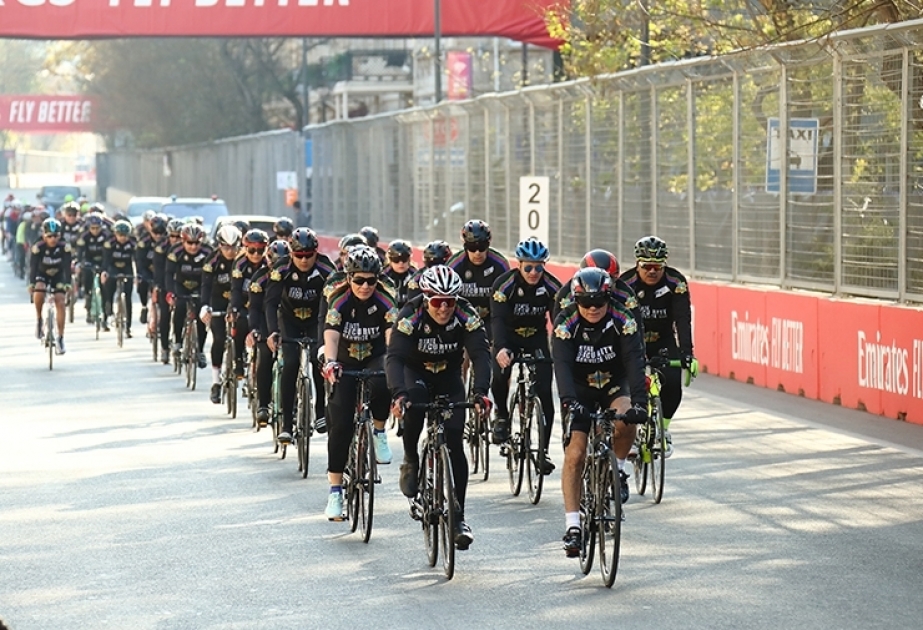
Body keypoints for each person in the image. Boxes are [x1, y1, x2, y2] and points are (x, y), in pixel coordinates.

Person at [387, 265, 492, 550]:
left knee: (455, 441)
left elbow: (481, 355)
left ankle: (458, 518)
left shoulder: (466, 314)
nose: (444, 308)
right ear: (426, 298)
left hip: (448, 376)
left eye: (450, 301)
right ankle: (411, 457)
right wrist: (398, 395)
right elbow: (394, 357)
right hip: (415, 374)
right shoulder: (410, 314)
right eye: (437, 302)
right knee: (415, 412)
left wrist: (481, 392)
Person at [552, 268, 648, 556]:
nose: (593, 309)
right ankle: (572, 526)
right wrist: (569, 401)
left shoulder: (623, 318)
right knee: (576, 454)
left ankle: (617, 469)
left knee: (626, 416)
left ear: (609, 297)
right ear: (576, 300)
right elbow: (562, 366)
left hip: (612, 383)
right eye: (586, 303)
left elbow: (634, 360)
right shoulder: (566, 322)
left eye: (599, 302)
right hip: (579, 389)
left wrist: (641, 403)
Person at [320, 246, 398, 520]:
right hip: (345, 359)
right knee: (340, 425)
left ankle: (378, 431)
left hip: (375, 355)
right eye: (359, 280)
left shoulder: (386, 297)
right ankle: (335, 491)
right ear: (349, 277)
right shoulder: (339, 297)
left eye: (371, 281)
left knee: (384, 380)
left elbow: (391, 334)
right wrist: (330, 362)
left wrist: (394, 361)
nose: (365, 286)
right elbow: (330, 333)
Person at [489, 237, 562, 473]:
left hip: (535, 338)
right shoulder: (504, 285)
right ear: (519, 264)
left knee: (545, 393)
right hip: (508, 338)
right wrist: (500, 348)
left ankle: (543, 451)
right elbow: (497, 320)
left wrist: (559, 353)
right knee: (500, 372)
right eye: (528, 267)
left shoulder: (552, 287)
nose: (534, 272)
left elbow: (559, 322)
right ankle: (501, 412)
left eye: (539, 267)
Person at [619, 235, 696, 458]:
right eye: (647, 266)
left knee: (672, 384)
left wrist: (687, 353)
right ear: (637, 264)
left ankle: (663, 430)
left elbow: (683, 319)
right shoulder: (626, 284)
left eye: (658, 267)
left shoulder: (676, 282)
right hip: (634, 342)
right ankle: (632, 435)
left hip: (663, 341)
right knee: (632, 388)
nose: (652, 271)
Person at [265, 227, 336, 443]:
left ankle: (321, 413)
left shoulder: (326, 268)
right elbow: (270, 302)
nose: (304, 260)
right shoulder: (281, 268)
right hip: (289, 321)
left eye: (308, 255)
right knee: (291, 363)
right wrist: (272, 332)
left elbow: (333, 303)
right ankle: (286, 423)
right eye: (299, 256)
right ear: (291, 254)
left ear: (316, 252)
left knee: (318, 359)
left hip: (316, 320)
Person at [247, 238, 289, 427]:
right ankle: (263, 405)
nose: (278, 266)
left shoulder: (293, 275)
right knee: (265, 354)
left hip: (288, 320)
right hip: (266, 320)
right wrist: (255, 329)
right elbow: (255, 307)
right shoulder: (260, 277)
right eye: (274, 262)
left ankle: (295, 403)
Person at [200, 224, 243, 403]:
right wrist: (204, 306)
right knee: (218, 338)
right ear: (219, 245)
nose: (230, 251)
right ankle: (216, 382)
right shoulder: (212, 261)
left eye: (234, 247)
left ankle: (242, 362)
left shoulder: (243, 260)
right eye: (226, 247)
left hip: (239, 302)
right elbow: (206, 285)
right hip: (217, 301)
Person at [446, 219, 510, 332]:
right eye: (471, 247)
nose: (477, 253)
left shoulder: (501, 265)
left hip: (491, 321)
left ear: (488, 244)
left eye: (482, 247)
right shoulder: (453, 266)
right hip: (461, 322)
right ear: (464, 245)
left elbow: (506, 305)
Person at [553, 248, 642, 327]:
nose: (603, 285)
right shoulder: (566, 295)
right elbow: (559, 328)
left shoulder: (626, 294)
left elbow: (635, 325)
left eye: (609, 280)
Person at [165, 223, 212, 368]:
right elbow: (168, 274)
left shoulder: (208, 252)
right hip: (181, 285)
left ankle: (201, 350)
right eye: (189, 243)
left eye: (196, 243)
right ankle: (178, 341)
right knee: (179, 307)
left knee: (202, 315)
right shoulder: (175, 251)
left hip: (200, 286)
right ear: (183, 241)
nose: (193, 247)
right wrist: (171, 293)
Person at [28, 217, 72, 354]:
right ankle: (39, 319)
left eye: (56, 236)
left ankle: (60, 337)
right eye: (49, 236)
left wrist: (68, 284)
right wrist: (31, 283)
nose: (53, 239)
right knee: (39, 289)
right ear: (44, 236)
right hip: (42, 273)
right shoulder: (38, 247)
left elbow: (67, 267)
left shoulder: (64, 247)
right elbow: (33, 267)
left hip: (58, 275)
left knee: (60, 301)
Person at [152, 218, 184, 363]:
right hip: (165, 283)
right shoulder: (161, 247)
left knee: (181, 313)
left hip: (182, 284)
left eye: (178, 236)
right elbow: (158, 269)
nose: (175, 239)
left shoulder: (186, 249)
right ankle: (164, 348)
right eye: (173, 236)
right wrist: (158, 286)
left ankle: (180, 342)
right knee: (165, 315)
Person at [100, 219, 137, 335]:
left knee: (128, 296)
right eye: (120, 235)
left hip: (126, 268)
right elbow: (105, 260)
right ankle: (106, 315)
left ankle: (128, 327)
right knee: (109, 291)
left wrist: (137, 275)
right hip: (113, 267)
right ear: (115, 234)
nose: (122, 238)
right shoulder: (109, 242)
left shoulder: (132, 243)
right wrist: (104, 272)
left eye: (125, 235)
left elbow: (137, 259)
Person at [75, 213, 109, 324]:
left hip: (102, 260)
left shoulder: (106, 236)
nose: (95, 230)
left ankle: (105, 314)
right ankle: (88, 302)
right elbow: (80, 252)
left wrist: (105, 267)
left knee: (104, 286)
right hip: (89, 260)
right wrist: (79, 263)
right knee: (87, 277)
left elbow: (108, 253)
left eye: (97, 228)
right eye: (92, 228)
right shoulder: (84, 237)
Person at [382, 239, 417, 308]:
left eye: (404, 259)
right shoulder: (383, 276)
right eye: (396, 259)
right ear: (390, 260)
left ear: (409, 259)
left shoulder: (416, 276)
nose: (401, 263)